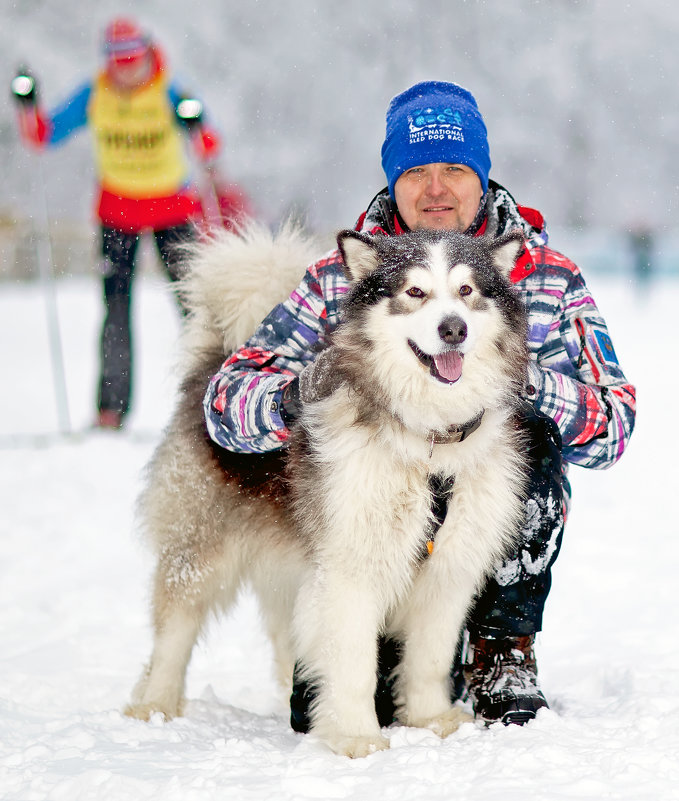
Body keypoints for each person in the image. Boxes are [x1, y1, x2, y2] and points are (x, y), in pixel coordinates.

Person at [202, 81, 637, 726]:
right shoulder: (343, 276)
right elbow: (224, 409)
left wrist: (522, 382)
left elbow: (616, 424)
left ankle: (498, 646)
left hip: (480, 531)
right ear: (394, 181)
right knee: (331, 708)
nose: (436, 188)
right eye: (416, 172)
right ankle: (386, 652)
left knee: (530, 435)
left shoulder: (544, 274)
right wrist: (308, 388)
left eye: (454, 169)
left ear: (481, 176)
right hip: (365, 537)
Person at [11, 17, 222, 429]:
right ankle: (111, 409)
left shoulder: (171, 90)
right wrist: (27, 102)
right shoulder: (95, 94)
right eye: (118, 62)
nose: (126, 70)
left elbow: (209, 144)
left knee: (193, 307)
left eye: (132, 59)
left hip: (172, 209)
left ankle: (212, 398)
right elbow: (43, 135)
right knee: (116, 309)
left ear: (146, 54)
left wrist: (196, 125)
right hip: (118, 210)